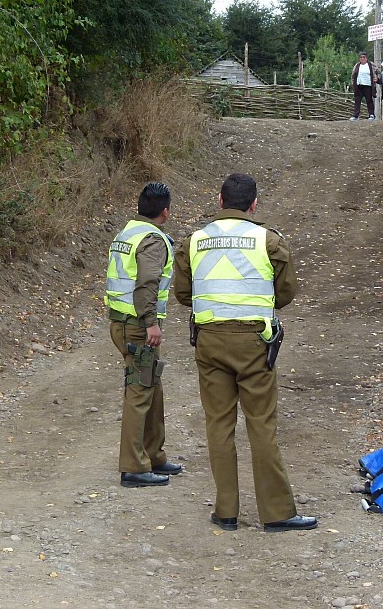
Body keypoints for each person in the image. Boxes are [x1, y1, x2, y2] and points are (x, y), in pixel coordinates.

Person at [173, 173, 317, 533]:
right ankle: (277, 513)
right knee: (261, 426)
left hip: (208, 341)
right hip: (254, 344)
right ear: (254, 204)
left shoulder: (193, 242)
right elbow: (285, 293)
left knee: (218, 425)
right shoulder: (268, 241)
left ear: (220, 201)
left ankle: (226, 512)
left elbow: (183, 294)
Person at [105, 182, 184, 488]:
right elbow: (147, 284)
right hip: (138, 326)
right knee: (139, 392)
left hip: (122, 322)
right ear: (165, 211)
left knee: (153, 387)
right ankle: (134, 466)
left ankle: (154, 455)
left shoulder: (126, 234)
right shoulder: (153, 240)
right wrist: (151, 322)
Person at [350, 51, 377, 121]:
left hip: (368, 85)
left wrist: (377, 78)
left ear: (366, 58)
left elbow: (378, 72)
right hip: (359, 86)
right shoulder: (357, 66)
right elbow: (353, 76)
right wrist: (353, 84)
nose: (362, 58)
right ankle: (356, 116)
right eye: (361, 57)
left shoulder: (371, 65)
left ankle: (371, 115)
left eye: (364, 57)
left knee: (369, 100)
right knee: (357, 101)